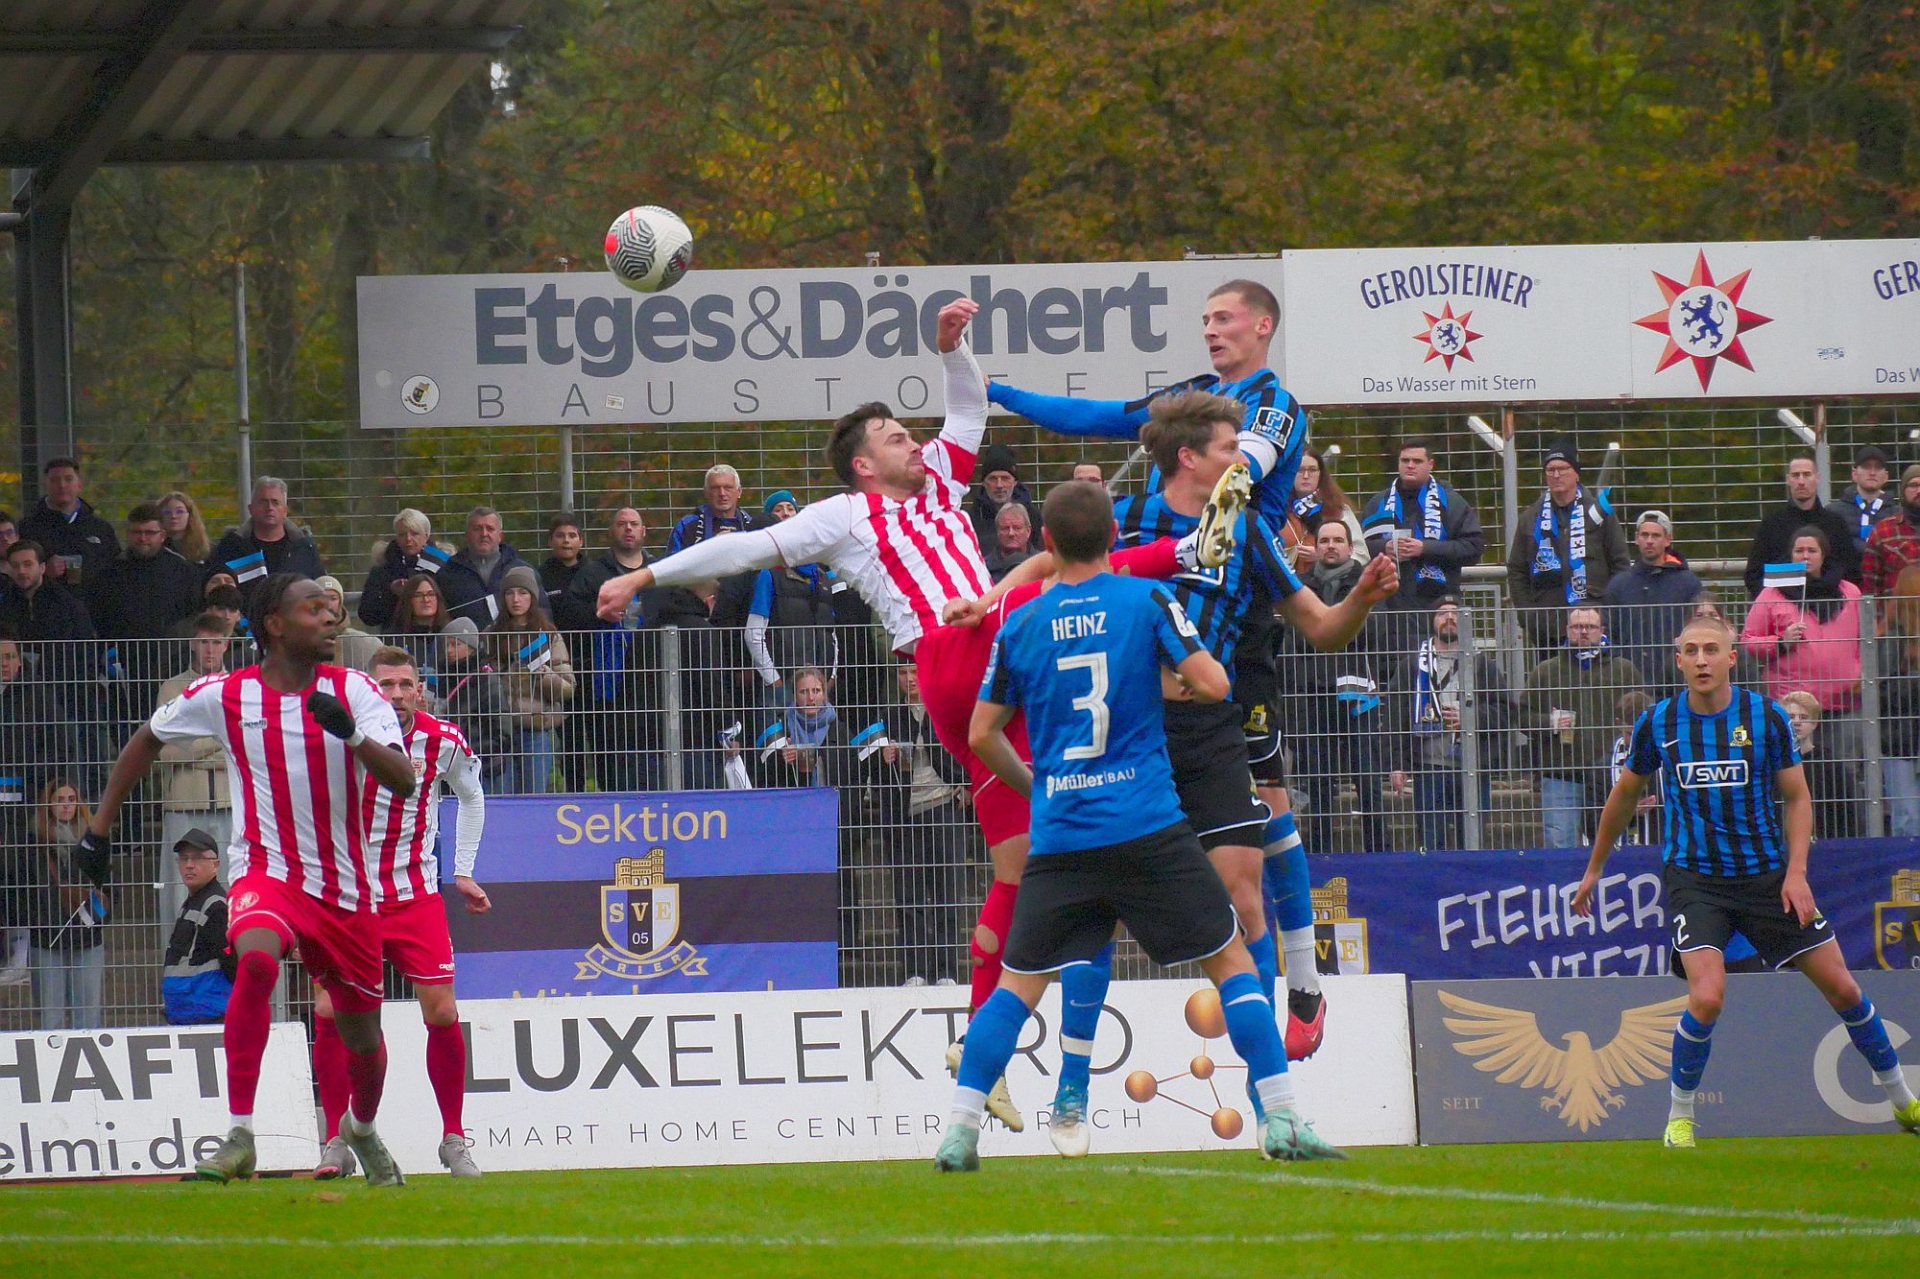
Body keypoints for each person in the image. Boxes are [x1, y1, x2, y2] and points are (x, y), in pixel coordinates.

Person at [936, 479, 1342, 1169]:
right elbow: (1214, 683)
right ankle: (1281, 1117)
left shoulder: (1021, 624)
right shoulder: (1147, 599)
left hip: (1063, 834)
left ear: (1046, 542)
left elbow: (981, 733)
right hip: (1148, 826)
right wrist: (1168, 679)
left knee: (1017, 987)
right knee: (1232, 960)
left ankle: (960, 1129)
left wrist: (1036, 787)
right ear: (1113, 539)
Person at [985, 393, 1395, 1070]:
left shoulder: (1248, 528)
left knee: (1242, 898)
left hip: (1208, 729)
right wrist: (988, 599)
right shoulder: (1126, 518)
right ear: (1189, 458)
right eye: (1230, 449)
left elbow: (1320, 627)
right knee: (1095, 916)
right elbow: (1047, 565)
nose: (1243, 460)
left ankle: (1268, 1089)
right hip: (1128, 733)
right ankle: (1073, 1084)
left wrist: (1360, 597)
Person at [80, 572, 416, 1184]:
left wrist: (351, 733)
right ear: (275, 625)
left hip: (344, 887)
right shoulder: (226, 694)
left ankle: (362, 1130)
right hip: (267, 868)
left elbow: (403, 779)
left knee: (363, 1033)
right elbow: (146, 738)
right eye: (314, 608)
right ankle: (240, 1134)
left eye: (331, 607)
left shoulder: (356, 689)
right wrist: (98, 829)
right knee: (256, 961)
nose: (330, 617)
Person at [1573, 614, 1920, 1147]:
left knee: (1843, 987)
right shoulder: (1658, 722)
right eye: (1692, 651)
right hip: (1695, 881)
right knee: (1707, 997)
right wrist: (1595, 867)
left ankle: (1903, 1101)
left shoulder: (1765, 717)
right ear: (1678, 660)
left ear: (1732, 657)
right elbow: (1624, 794)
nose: (1702, 660)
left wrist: (1797, 874)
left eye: (1712, 649)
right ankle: (1680, 1118)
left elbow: (1797, 797)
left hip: (1766, 879)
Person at [313, 645, 488, 1181]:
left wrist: (462, 870)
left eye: (405, 685)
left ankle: (453, 1138)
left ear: (420, 690)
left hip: (414, 894)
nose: (396, 695)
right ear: (369, 692)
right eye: (385, 685)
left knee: (442, 1011)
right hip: (347, 897)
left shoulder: (442, 740)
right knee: (330, 1010)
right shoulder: (340, 738)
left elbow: (472, 796)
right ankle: (334, 1142)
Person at [1279, 519, 1387, 854]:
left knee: (1367, 779)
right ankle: (1320, 851)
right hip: (1312, 696)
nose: (1330, 546)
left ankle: (1378, 852)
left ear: (1349, 546)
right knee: (1317, 782)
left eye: (1338, 540)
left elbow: (1377, 635)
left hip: (1357, 697)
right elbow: (1291, 644)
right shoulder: (1299, 586)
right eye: (1324, 540)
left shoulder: (1367, 584)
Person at [1387, 594, 1516, 852]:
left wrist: (1470, 717)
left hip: (1472, 766)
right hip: (1428, 767)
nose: (1449, 618)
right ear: (1432, 621)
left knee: (1472, 841)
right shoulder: (1412, 665)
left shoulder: (1482, 664)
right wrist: (1397, 764)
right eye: (1442, 613)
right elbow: (1394, 717)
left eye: (1456, 613)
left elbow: (1506, 711)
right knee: (1430, 841)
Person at [878, 663, 975, 986]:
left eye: (914, 673)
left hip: (943, 805)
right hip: (904, 812)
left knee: (948, 891)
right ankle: (915, 971)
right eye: (902, 674)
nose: (909, 680)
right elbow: (869, 764)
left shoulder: (946, 709)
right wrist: (884, 757)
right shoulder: (889, 715)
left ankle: (947, 971)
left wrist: (967, 784)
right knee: (909, 896)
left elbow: (970, 747)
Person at [1520, 607, 1647, 849]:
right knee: (1560, 846)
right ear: (1567, 630)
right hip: (1561, 775)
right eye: (1577, 627)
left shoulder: (1624, 669)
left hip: (1612, 776)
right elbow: (1522, 717)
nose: (1584, 632)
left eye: (1590, 627)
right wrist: (1549, 722)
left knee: (1614, 845)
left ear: (1602, 631)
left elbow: (1645, 713)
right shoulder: (1546, 671)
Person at [1739, 527, 1863, 763]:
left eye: (1812, 550)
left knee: (1841, 768)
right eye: (1799, 550)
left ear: (1823, 554)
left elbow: (1864, 639)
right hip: (1793, 707)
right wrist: (1780, 642)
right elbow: (1748, 641)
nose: (1805, 556)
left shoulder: (1851, 593)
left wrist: (1860, 672)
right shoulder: (1772, 595)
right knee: (1792, 765)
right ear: (1791, 555)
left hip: (1843, 702)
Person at [561, 508, 660, 793]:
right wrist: (600, 612)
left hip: (652, 680)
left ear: (643, 531)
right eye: (621, 524)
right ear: (611, 532)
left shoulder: (657, 571)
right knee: (609, 756)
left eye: (634, 524)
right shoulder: (593, 572)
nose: (628, 529)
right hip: (606, 686)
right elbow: (570, 614)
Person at [1506, 438, 1631, 656]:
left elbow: (1620, 564)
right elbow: (1517, 569)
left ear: (1576, 474)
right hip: (1548, 627)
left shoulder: (1599, 513)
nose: (1556, 475)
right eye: (1550, 470)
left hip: (1594, 624)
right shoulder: (1531, 517)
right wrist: (1529, 616)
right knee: (1553, 678)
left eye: (1563, 469)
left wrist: (1609, 615)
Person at [155, 618, 235, 925]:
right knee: (179, 894)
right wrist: (217, 738)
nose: (209, 650)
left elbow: (245, 749)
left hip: (229, 806)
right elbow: (166, 752)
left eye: (216, 642)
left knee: (231, 891)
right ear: (192, 644)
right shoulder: (172, 688)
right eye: (203, 642)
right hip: (183, 805)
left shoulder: (238, 686)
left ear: (226, 644)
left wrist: (194, 747)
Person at [1360, 439, 1486, 634]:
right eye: (1405, 460)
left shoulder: (1451, 503)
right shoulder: (1378, 503)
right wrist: (1384, 547)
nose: (1410, 466)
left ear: (1430, 464)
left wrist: (1425, 548)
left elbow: (1473, 548)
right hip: (1388, 609)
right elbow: (1358, 548)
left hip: (1438, 608)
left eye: (1417, 461)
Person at [86, 504, 204, 683]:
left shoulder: (183, 571)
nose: (142, 538)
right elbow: (97, 616)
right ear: (128, 534)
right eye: (136, 532)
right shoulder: (109, 572)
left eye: (149, 532)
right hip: (124, 664)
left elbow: (195, 615)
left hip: (173, 662)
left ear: (162, 535)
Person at [485, 565, 573, 794]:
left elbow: (568, 688)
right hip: (498, 732)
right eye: (510, 593)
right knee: (500, 799)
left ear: (533, 597)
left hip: (536, 730)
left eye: (523, 593)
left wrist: (545, 676)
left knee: (533, 797)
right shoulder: (490, 635)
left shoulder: (548, 635)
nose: (516, 599)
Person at [27, 778, 106, 1030]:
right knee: (51, 1017)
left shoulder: (94, 840)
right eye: (59, 800)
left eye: (71, 800)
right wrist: (38, 919)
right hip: (47, 935)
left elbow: (109, 886)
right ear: (48, 804)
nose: (66, 806)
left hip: (87, 935)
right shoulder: (33, 841)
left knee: (88, 1016)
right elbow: (22, 887)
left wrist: (94, 919)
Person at [744, 507, 837, 706]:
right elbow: (754, 633)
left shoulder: (824, 579)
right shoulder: (769, 576)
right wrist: (773, 679)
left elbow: (832, 633)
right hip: (782, 685)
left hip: (819, 685)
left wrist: (831, 676)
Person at [1602, 511, 1703, 682]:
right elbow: (1609, 633)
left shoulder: (1688, 583)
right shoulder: (1618, 585)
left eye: (1656, 535)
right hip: (1630, 678)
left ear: (1667, 540)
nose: (1649, 541)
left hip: (1677, 677)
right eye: (1644, 535)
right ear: (1636, 539)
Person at [1742, 452, 1860, 597]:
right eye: (1796, 475)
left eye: (1807, 474)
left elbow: (1851, 572)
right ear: (1788, 480)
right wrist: (1777, 603)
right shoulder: (1771, 525)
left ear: (1817, 478)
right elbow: (1754, 575)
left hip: (1828, 606)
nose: (1801, 481)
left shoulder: (1835, 524)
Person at [207, 477, 326, 604]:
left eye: (275, 502)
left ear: (285, 510)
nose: (269, 508)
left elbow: (319, 589)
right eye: (263, 502)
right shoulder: (230, 547)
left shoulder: (304, 549)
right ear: (251, 509)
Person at [0, 539, 96, 689]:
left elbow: (86, 650)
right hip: (14, 689)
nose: (21, 571)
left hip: (63, 687)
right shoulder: (4, 604)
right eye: (15, 565)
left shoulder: (68, 605)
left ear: (42, 567)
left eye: (28, 564)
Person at [161, 828, 233, 1026]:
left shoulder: (216, 907)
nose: (189, 865)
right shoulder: (196, 902)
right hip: (194, 1010)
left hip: (209, 1012)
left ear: (215, 865)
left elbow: (231, 961)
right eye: (184, 858)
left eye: (198, 858)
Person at [18, 456, 117, 589]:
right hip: (47, 600)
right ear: (45, 485)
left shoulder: (101, 528)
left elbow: (115, 573)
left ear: (79, 484)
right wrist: (43, 571)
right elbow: (16, 574)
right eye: (55, 480)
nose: (62, 485)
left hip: (95, 601)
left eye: (68, 479)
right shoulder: (28, 528)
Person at [1779, 691, 1861, 839]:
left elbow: (1846, 812)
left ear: (1814, 724)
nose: (1797, 722)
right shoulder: (1771, 762)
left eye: (1803, 717)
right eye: (1791, 717)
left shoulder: (1830, 764)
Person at [437, 507, 531, 628]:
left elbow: (541, 611)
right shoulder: (447, 574)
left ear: (500, 535)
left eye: (490, 529)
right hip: (464, 639)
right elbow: (439, 617)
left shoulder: (522, 570)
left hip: (514, 639)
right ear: (467, 535)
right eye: (477, 529)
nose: (484, 534)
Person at [358, 509, 450, 632]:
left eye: (415, 534)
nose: (408, 539)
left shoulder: (443, 566)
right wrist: (391, 593)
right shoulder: (382, 569)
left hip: (437, 635)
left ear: (426, 536)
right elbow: (367, 615)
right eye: (402, 534)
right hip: (396, 637)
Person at [1880, 564, 1920, 839]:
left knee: (1906, 815)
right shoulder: (1891, 637)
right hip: (1900, 736)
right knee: (1907, 815)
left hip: (1897, 736)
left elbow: (1878, 685)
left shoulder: (1887, 636)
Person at [1289, 448, 1368, 564]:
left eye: (1312, 470)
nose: (1306, 476)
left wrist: (1324, 557)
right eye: (1299, 470)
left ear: (1321, 474)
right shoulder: (1276, 509)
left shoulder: (1338, 509)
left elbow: (1361, 555)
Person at [967, 443, 1042, 554]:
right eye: (993, 479)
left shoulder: (1033, 516)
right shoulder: (970, 520)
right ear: (984, 482)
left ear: (1015, 482)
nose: (999, 485)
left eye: (1005, 478)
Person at [669, 463, 760, 551]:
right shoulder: (687, 527)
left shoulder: (753, 526)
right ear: (706, 492)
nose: (722, 493)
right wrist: (711, 548)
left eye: (728, 488)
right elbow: (673, 560)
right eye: (715, 488)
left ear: (739, 491)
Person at [1862, 463, 1920, 597]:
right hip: (1897, 609)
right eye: (1913, 485)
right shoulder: (1883, 530)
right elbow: (1870, 585)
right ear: (1903, 491)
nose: (1918, 491)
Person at [1825, 444, 1894, 553]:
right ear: (1854, 474)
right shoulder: (1833, 513)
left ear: (1886, 476)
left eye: (1878, 467)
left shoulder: (1897, 515)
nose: (1872, 473)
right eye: (1866, 466)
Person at [384, 572, 452, 670]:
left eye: (431, 594)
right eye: (418, 595)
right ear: (408, 600)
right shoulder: (392, 638)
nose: (426, 599)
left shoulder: (450, 634)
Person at [317, 575, 381, 674]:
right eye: (323, 598)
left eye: (333, 598)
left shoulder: (369, 643)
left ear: (341, 601)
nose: (328, 605)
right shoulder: (299, 642)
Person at [539, 513, 586, 616]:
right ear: (550, 541)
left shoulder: (594, 573)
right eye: (560, 536)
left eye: (572, 536)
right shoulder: (539, 576)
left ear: (581, 542)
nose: (566, 540)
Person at [158, 490, 212, 565]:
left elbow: (227, 566)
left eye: (179, 511)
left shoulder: (207, 548)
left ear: (190, 515)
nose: (173, 516)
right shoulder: (154, 548)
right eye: (167, 512)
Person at [988, 503, 1038, 581]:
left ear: (1028, 531)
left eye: (1017, 528)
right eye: (1005, 528)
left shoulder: (1044, 564)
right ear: (997, 531)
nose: (1011, 533)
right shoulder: (983, 568)